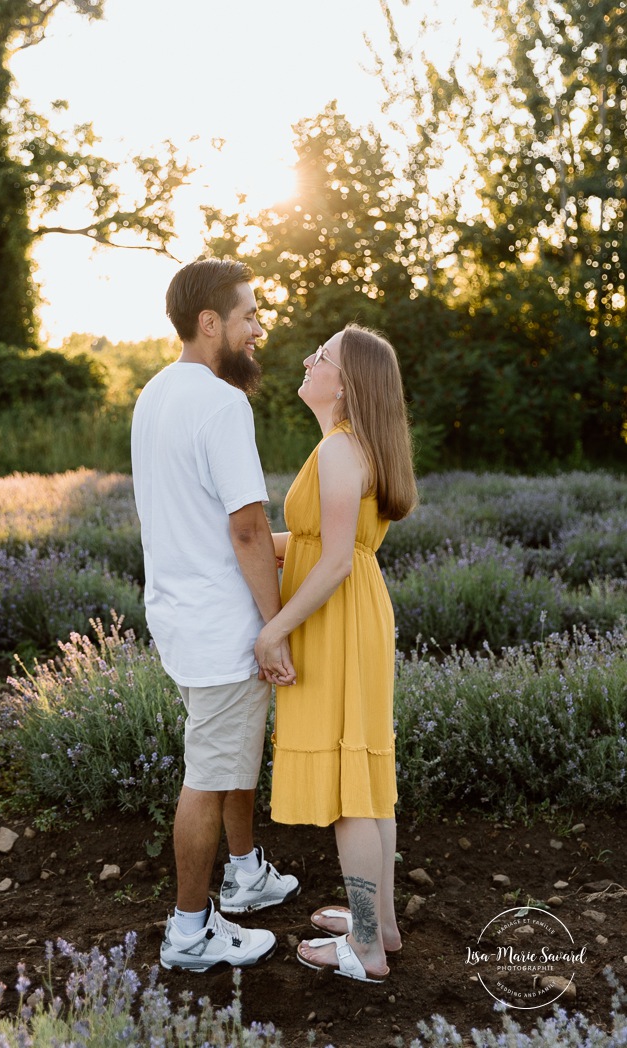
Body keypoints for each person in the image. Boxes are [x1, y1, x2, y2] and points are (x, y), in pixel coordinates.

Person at [131, 257, 300, 974]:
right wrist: (275, 625)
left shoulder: (155, 393)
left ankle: (246, 873)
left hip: (179, 614)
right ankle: (191, 930)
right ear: (210, 324)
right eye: (249, 316)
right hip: (221, 621)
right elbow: (247, 529)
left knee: (228, 755)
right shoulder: (224, 404)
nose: (259, 329)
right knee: (209, 770)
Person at [254, 323, 418, 983]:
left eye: (318, 356)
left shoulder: (337, 451)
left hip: (337, 617)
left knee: (353, 787)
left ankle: (365, 949)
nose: (305, 360)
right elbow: (327, 539)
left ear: (343, 383)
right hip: (359, 616)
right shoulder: (349, 447)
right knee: (368, 777)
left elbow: (331, 564)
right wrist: (251, 540)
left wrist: (274, 630)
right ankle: (380, 926)